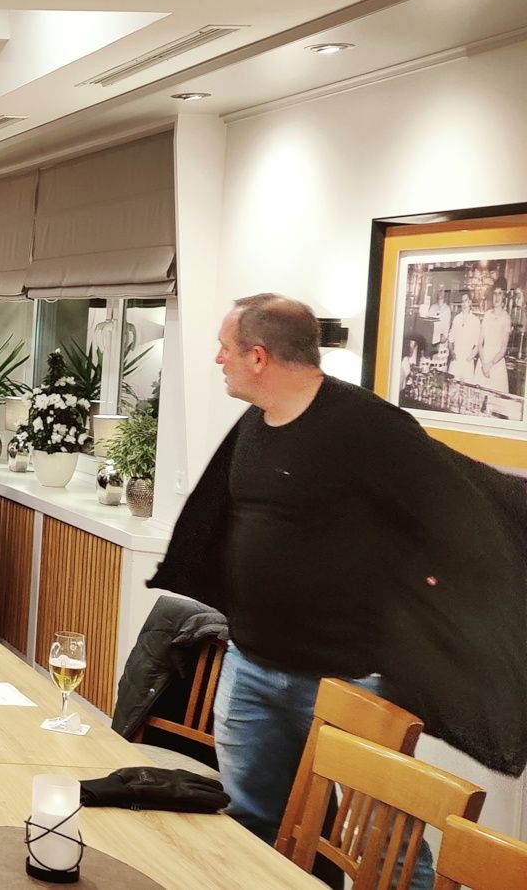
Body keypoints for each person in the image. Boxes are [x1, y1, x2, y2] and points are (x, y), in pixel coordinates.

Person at [147, 294, 527, 889]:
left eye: (225, 348)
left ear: (259, 356)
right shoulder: (254, 425)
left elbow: (457, 510)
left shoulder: (366, 425)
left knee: (387, 844)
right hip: (251, 666)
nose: (218, 359)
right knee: (253, 823)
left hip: (350, 679)